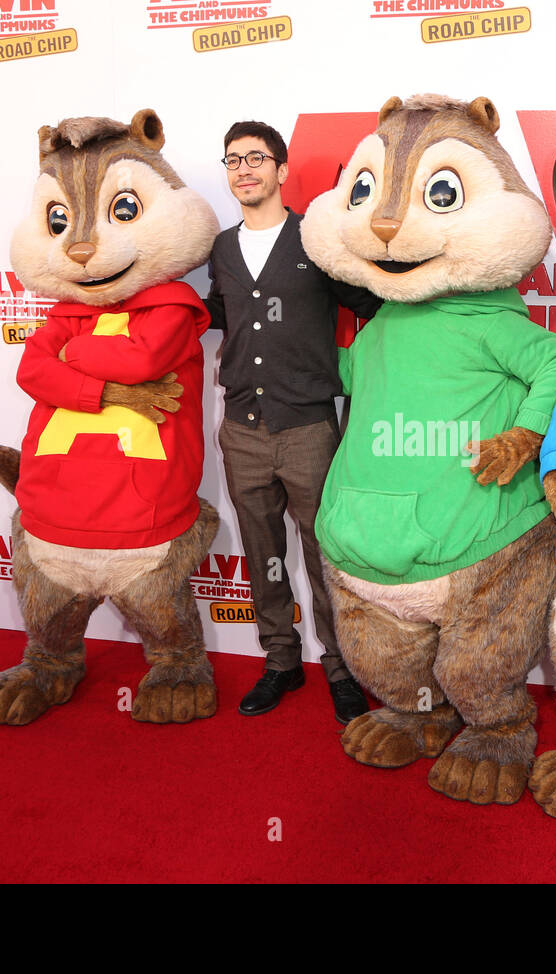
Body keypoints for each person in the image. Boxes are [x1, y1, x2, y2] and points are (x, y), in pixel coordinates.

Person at [204, 120, 380, 723]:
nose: (243, 169)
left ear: (281, 170)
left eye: (256, 158)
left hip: (308, 430)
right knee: (263, 551)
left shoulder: (316, 239)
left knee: (323, 552)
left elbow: (371, 304)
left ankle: (342, 666)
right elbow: (213, 316)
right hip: (242, 430)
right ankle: (280, 661)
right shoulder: (222, 250)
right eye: (232, 160)